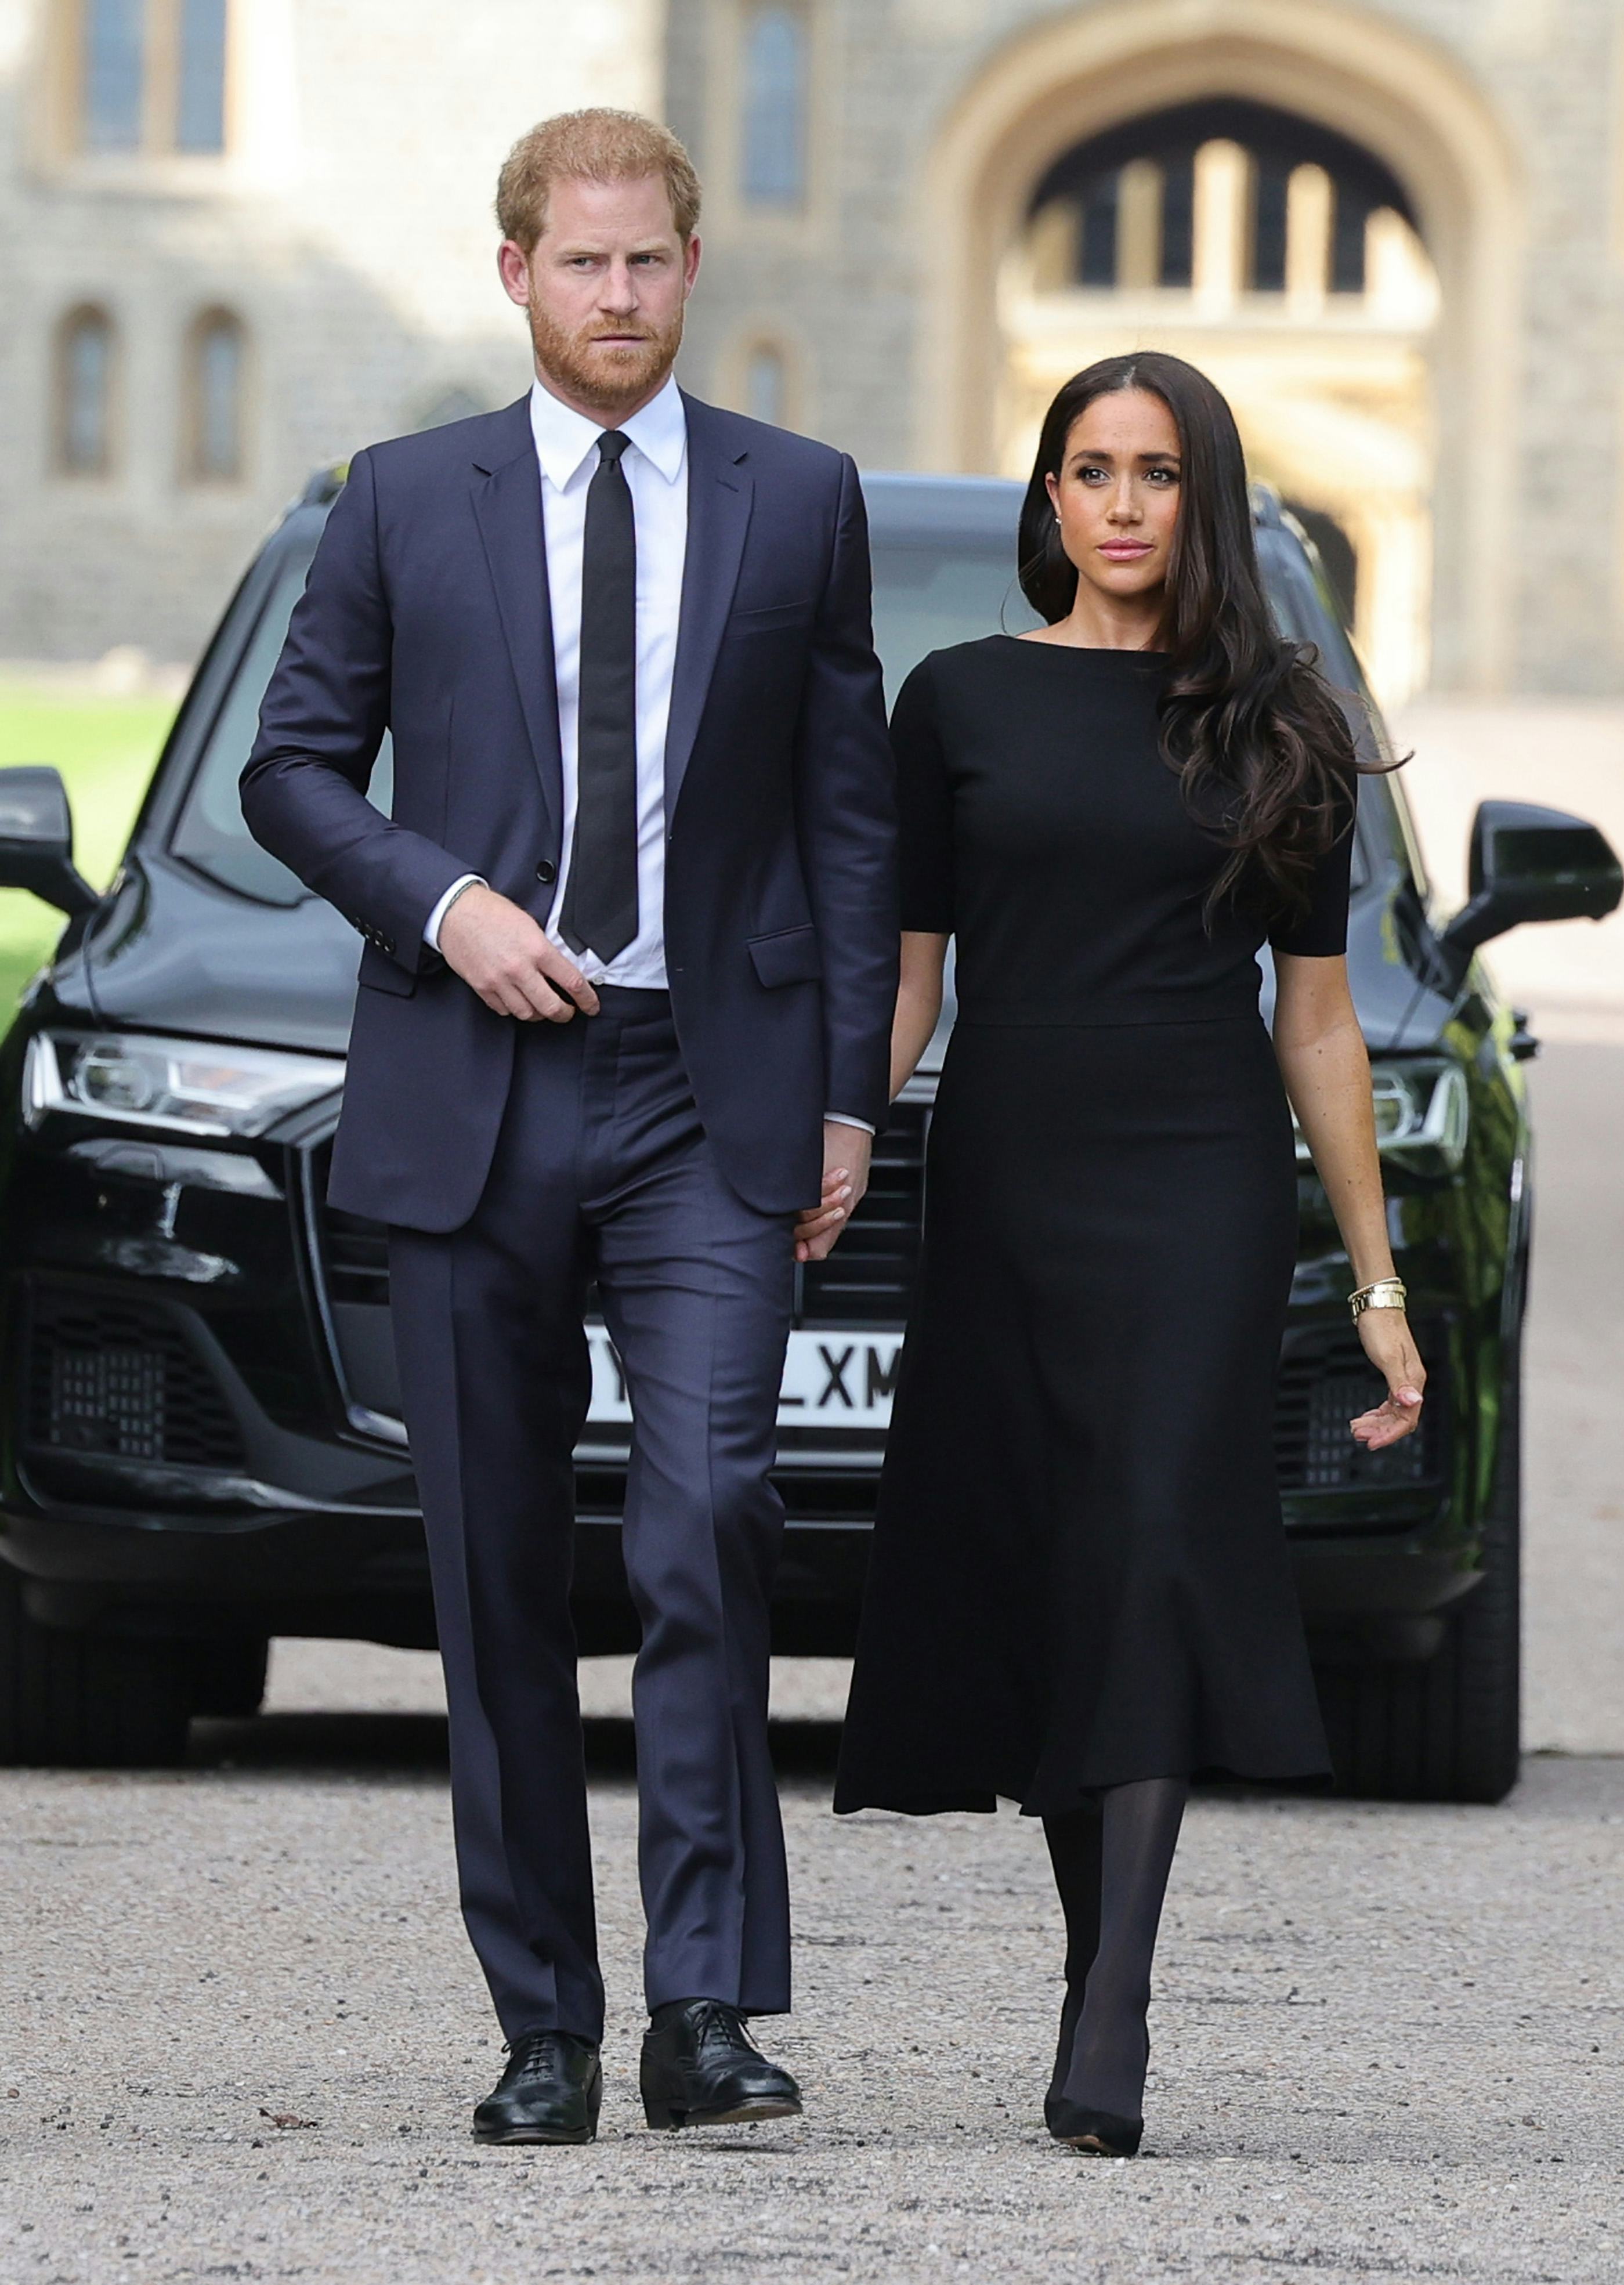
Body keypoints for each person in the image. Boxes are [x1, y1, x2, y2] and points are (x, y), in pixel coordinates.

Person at [243, 110, 897, 2146]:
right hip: (475, 1078)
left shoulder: (801, 499)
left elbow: (848, 816)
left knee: (708, 1516)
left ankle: (704, 2008)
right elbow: (291, 768)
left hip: (713, 1086)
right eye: (583, 262)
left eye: (649, 260)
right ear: (516, 270)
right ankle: (544, 2020)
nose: (619, 296)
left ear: (694, 268)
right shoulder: (398, 499)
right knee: (497, 1564)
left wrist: (852, 1087)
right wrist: (443, 904)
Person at [833, 352, 1426, 2158]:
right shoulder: (957, 700)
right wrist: (836, 1138)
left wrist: (1379, 1286)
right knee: (1058, 1563)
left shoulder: (1280, 721)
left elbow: (1317, 1021)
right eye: (1089, 469)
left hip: (1198, 1179)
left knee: (1159, 1535)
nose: (1119, 503)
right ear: (1050, 496)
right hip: (1007, 1169)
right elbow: (909, 981)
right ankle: (1099, 1963)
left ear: (1203, 500)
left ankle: (1116, 2005)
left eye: (1156, 472)